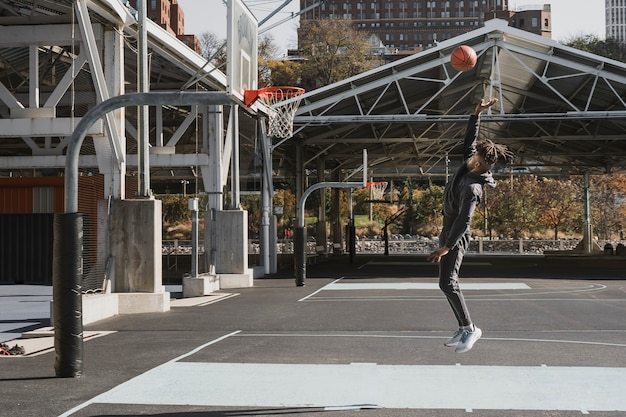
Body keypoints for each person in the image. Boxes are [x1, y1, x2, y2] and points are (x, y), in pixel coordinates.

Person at [427, 98, 512, 353]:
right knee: (445, 283)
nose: (473, 162)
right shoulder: (469, 161)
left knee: (449, 283)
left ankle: (471, 329)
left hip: (457, 235)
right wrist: (477, 113)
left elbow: (465, 220)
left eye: (478, 162)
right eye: (474, 157)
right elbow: (470, 140)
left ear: (484, 167)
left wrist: (446, 247)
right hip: (448, 230)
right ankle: (463, 327)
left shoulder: (474, 188)